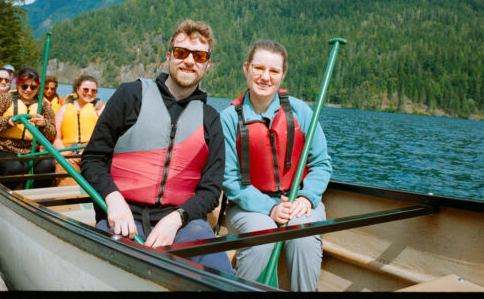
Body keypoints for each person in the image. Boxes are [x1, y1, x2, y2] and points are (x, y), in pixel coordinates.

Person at [81, 19, 233, 274]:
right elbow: (93, 159)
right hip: (122, 217)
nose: (189, 61)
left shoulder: (210, 119)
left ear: (207, 64)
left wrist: (176, 219)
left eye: (199, 56)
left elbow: (210, 190)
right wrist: (113, 199)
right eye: (181, 52)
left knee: (224, 277)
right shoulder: (130, 95)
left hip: (184, 223)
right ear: (169, 56)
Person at [220, 40, 333, 291]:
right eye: (258, 68)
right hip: (247, 207)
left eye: (273, 71)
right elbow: (229, 180)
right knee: (262, 235)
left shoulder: (301, 113)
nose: (265, 77)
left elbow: (322, 164)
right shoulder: (228, 119)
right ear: (246, 68)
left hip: (298, 202)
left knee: (301, 234)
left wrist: (306, 198)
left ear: (283, 75)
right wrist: (270, 208)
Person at [0, 67, 56, 189]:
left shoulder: (44, 105)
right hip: (1, 149)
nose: (28, 90)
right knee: (15, 167)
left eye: (33, 87)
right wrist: (8, 121)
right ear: (18, 85)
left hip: (30, 151)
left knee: (48, 165)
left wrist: (44, 124)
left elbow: (52, 134)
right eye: (24, 86)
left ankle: (36, 197)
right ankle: (4, 193)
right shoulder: (5, 99)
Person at [53, 75, 104, 186]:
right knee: (65, 168)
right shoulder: (65, 108)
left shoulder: (100, 108)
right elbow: (55, 136)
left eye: (94, 91)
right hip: (67, 149)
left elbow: (105, 135)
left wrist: (86, 152)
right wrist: (66, 154)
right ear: (77, 89)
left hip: (90, 149)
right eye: (85, 89)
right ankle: (69, 199)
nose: (89, 93)